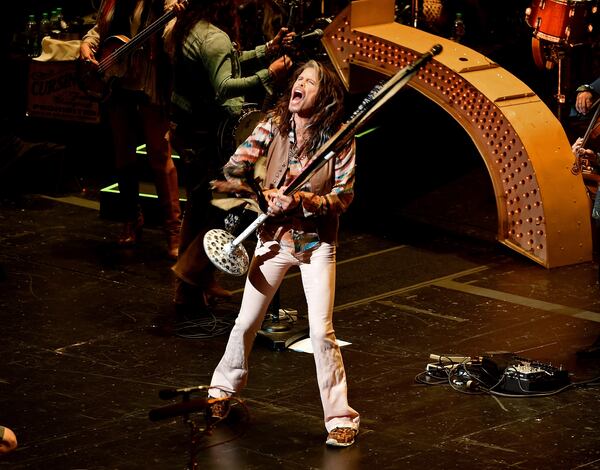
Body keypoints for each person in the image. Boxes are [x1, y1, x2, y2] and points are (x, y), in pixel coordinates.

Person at [207, 60, 360, 447]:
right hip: (272, 240)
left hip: (315, 246)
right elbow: (234, 167)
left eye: (309, 82)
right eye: (299, 79)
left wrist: (302, 199)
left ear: (322, 96)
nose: (299, 85)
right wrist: (264, 194)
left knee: (320, 332)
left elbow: (343, 197)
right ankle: (222, 391)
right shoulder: (272, 127)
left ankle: (341, 418)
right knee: (245, 322)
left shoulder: (339, 140)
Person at [165, 0, 294, 312]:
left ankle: (191, 286)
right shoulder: (214, 38)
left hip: (186, 127)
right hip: (207, 133)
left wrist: (266, 50)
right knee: (230, 202)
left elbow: (226, 62)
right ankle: (192, 273)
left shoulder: (189, 28)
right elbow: (224, 85)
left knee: (199, 206)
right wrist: (269, 73)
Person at [79, 0, 183, 259]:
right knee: (123, 155)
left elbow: (172, 41)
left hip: (150, 82)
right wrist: (86, 45)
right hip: (117, 81)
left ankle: (173, 229)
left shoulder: (165, 1)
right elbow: (100, 31)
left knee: (159, 155)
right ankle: (131, 220)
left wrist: (176, 19)